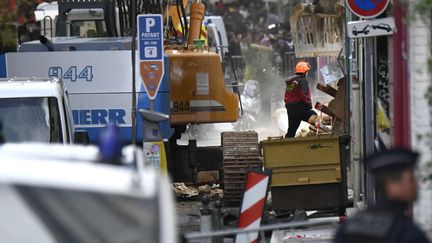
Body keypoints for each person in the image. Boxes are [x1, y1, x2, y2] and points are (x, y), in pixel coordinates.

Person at [334, 149, 430, 243]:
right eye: (411, 180)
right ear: (392, 187)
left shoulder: (349, 227)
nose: (416, 185)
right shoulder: (406, 233)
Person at [284, 61, 317, 138]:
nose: (307, 73)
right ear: (304, 72)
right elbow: (303, 95)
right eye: (307, 71)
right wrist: (309, 104)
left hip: (290, 108)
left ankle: (286, 145)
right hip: (300, 107)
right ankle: (318, 137)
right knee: (315, 117)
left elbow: (289, 95)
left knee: (291, 130)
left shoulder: (291, 81)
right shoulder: (302, 81)